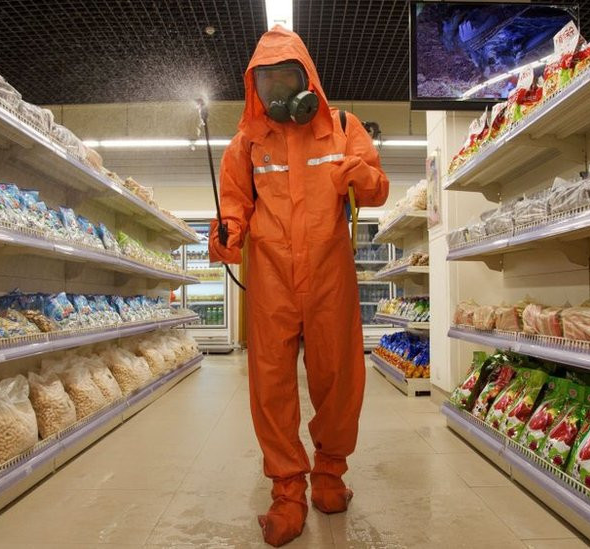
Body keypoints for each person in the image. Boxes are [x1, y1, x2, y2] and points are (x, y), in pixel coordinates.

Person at [208, 25, 389, 547]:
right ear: (253, 88)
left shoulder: (342, 126)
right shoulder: (245, 144)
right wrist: (225, 237)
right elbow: (233, 210)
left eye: (287, 78)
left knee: (339, 377)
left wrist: (359, 174)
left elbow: (376, 189)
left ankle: (329, 475)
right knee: (271, 385)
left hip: (330, 275)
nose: (278, 93)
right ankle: (288, 490)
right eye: (266, 83)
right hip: (271, 280)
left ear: (307, 76)